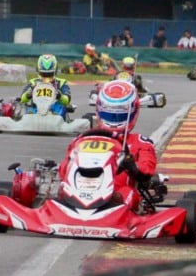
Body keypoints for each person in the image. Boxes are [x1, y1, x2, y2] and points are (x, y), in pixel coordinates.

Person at [60, 80, 157, 212]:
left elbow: (147, 170)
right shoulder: (82, 139)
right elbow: (63, 170)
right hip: (77, 190)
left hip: (117, 196)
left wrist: (133, 166)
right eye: (108, 114)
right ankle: (66, 206)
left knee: (128, 194)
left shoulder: (140, 142)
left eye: (119, 116)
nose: (114, 120)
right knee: (60, 188)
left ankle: (116, 215)